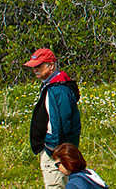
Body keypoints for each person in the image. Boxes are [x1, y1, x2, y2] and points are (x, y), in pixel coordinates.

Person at [25, 48, 81, 189]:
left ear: (51, 65)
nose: (35, 70)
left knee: (56, 186)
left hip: (56, 153)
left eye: (38, 65)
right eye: (33, 66)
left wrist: (51, 150)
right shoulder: (54, 84)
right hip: (60, 150)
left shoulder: (58, 89)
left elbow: (60, 124)